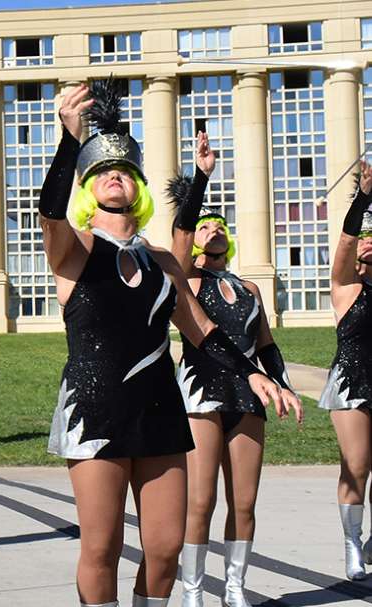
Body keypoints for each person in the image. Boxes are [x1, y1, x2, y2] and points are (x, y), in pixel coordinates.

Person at [40, 79, 283, 607]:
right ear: (86, 186)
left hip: (160, 409)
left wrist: (253, 372)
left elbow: (203, 332)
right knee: (102, 546)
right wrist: (67, 140)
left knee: (167, 546)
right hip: (95, 408)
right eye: (101, 171)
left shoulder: (165, 261)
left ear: (139, 186)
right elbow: (51, 215)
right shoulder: (75, 252)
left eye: (124, 171)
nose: (113, 178)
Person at [167, 134, 303, 607]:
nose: (212, 229)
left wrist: (282, 385)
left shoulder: (248, 288)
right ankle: (192, 590)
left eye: (218, 225)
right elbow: (181, 241)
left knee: (243, 502)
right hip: (200, 393)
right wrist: (200, 182)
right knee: (200, 501)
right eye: (204, 226)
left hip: (247, 397)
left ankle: (235, 586)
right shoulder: (185, 280)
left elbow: (265, 344)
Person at [319, 160, 372, 581]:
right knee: (357, 465)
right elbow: (344, 246)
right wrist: (364, 200)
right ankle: (352, 545)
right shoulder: (346, 287)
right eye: (364, 239)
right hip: (351, 383)